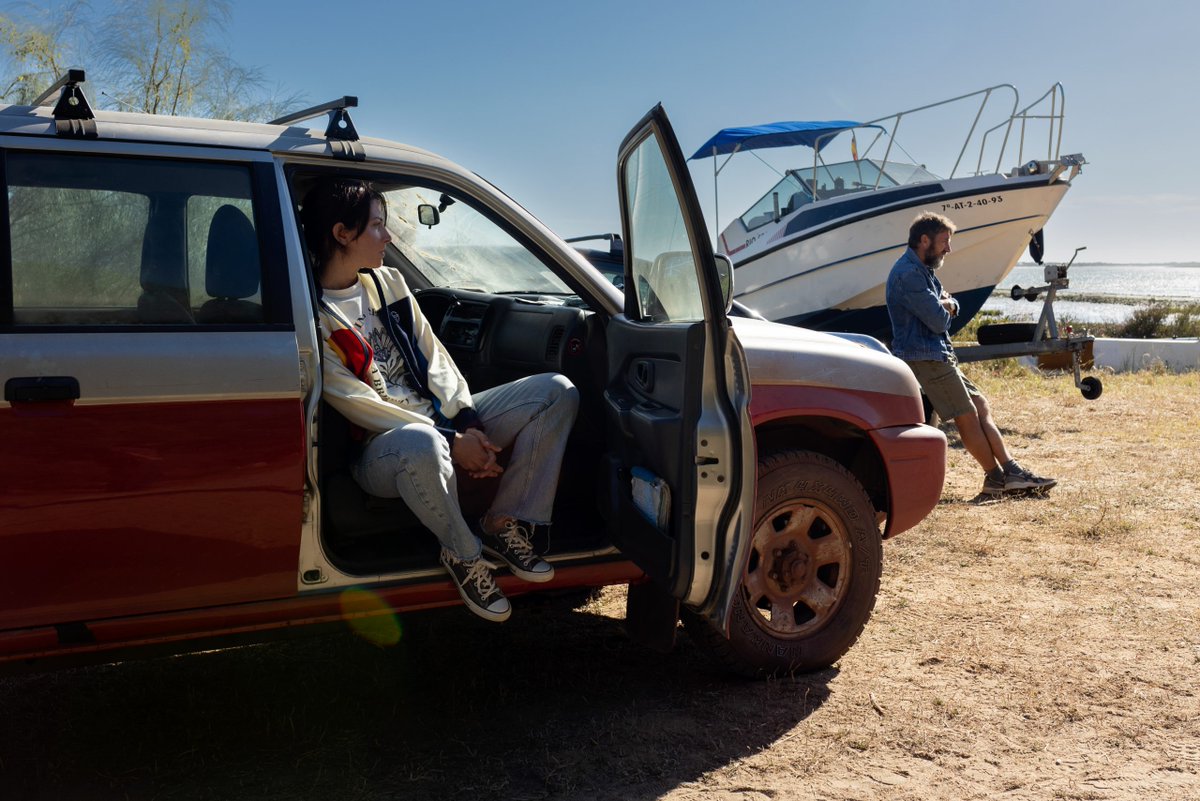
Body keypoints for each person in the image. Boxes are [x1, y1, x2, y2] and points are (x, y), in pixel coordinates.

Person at [301, 179, 579, 621]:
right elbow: (360, 405)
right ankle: (464, 554)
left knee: (556, 392)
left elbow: (436, 358)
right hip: (382, 447)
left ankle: (501, 523)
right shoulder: (311, 316)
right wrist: (452, 440)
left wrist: (471, 425)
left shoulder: (388, 282)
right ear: (341, 234)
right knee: (423, 442)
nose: (388, 237)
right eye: (377, 226)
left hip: (440, 423)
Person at [886, 212, 1056, 499]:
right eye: (944, 242)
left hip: (938, 353)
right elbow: (940, 320)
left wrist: (947, 304)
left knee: (979, 404)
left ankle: (1011, 472)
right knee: (966, 416)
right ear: (924, 240)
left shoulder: (923, 271)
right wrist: (947, 306)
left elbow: (948, 305)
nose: (948, 249)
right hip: (924, 357)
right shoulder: (907, 275)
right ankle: (995, 479)